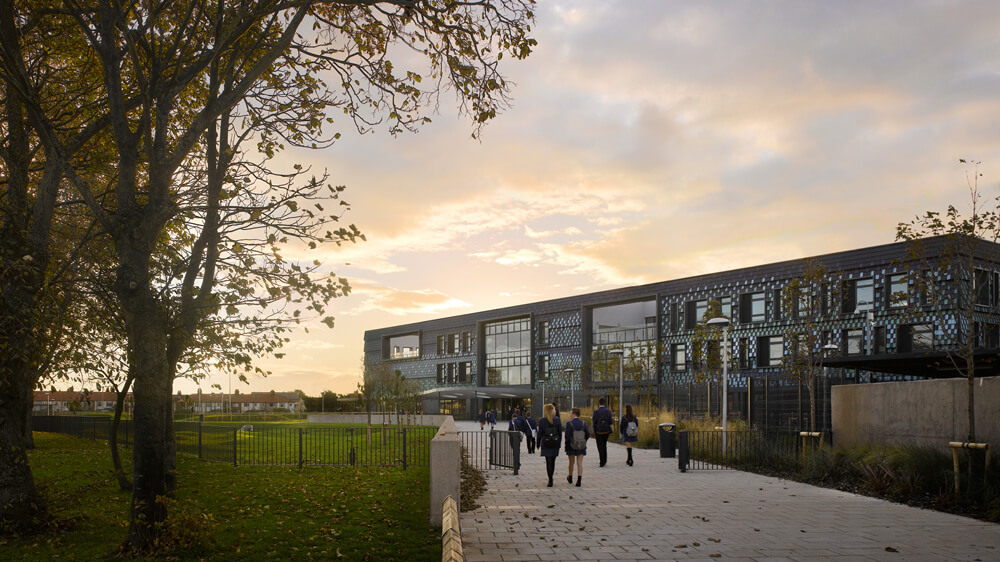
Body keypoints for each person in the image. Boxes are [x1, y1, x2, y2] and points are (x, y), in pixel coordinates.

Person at [564, 407, 590, 487]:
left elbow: (567, 436)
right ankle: (579, 480)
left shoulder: (569, 424)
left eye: (570, 413)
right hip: (581, 446)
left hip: (571, 445)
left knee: (571, 462)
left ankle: (570, 477)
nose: (570, 415)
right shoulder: (583, 423)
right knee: (579, 463)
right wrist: (583, 441)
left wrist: (566, 446)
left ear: (574, 414)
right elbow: (588, 434)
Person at [537, 403, 562, 487]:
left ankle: (550, 479)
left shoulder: (542, 421)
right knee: (553, 461)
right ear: (551, 410)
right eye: (554, 409)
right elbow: (559, 433)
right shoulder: (557, 420)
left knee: (548, 462)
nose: (555, 410)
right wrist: (559, 443)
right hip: (555, 443)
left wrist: (538, 444)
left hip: (546, 443)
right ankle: (551, 477)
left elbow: (540, 433)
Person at [592, 397, 614, 467]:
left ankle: (602, 461)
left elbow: (594, 422)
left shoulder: (596, 412)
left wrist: (595, 430)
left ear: (598, 403)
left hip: (598, 431)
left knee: (600, 446)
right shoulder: (608, 412)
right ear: (605, 403)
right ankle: (605, 459)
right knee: (604, 445)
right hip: (606, 431)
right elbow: (611, 422)